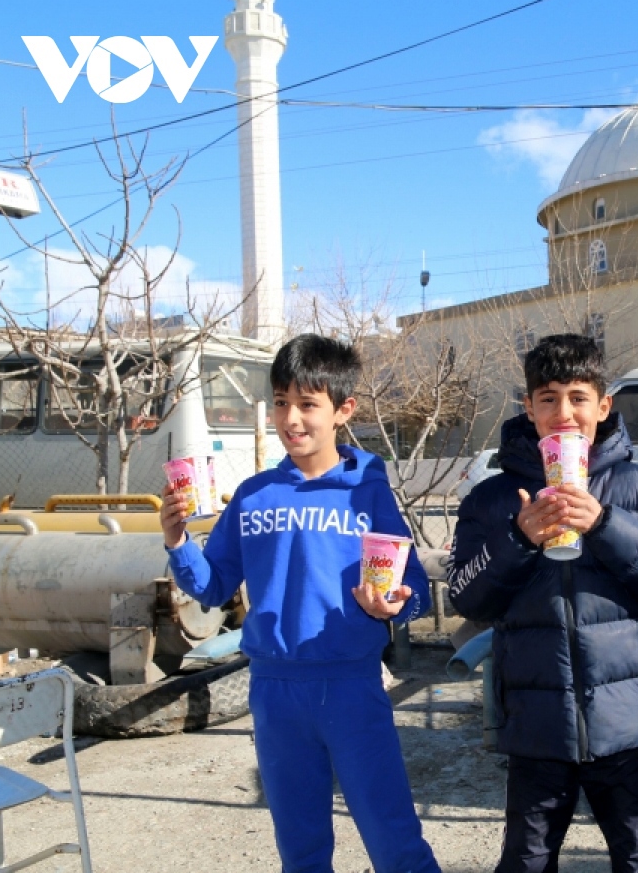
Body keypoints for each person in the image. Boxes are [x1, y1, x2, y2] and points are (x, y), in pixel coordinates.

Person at [160, 334, 440, 873]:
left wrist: (393, 607)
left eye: (308, 404)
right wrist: (178, 544)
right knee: (301, 848)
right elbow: (214, 586)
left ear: (343, 410)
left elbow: (414, 591)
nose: (292, 418)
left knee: (393, 838)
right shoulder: (254, 494)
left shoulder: (366, 492)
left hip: (351, 686)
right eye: (282, 402)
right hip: (272, 692)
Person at [448, 333, 638, 873]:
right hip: (536, 725)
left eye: (579, 397)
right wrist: (517, 538)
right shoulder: (492, 498)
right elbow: (465, 597)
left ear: (603, 406)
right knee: (527, 860)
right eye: (549, 398)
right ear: (528, 409)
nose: (564, 413)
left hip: (624, 721)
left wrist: (605, 525)